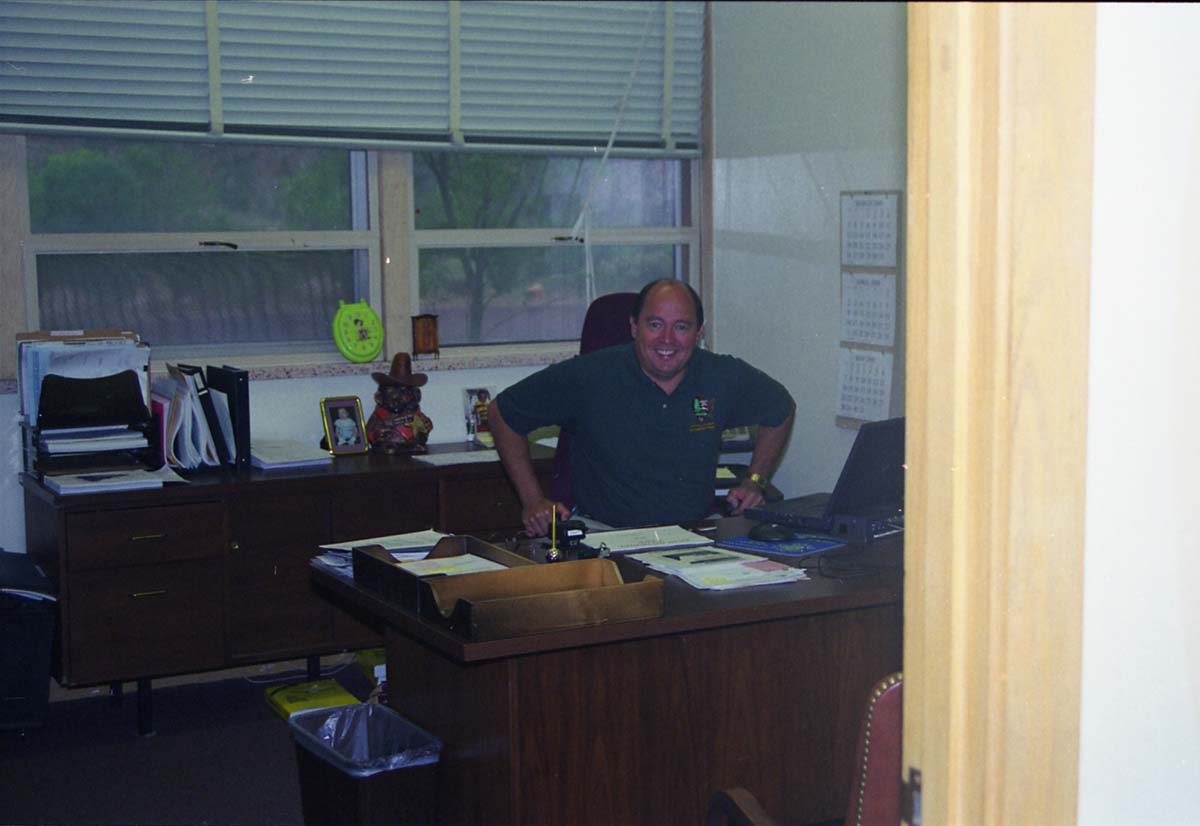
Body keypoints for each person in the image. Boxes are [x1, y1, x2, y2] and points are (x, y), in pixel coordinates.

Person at [489, 279, 796, 536]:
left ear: (699, 333)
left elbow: (781, 409)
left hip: (692, 533)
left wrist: (755, 481)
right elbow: (502, 414)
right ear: (634, 327)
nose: (667, 340)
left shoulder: (722, 375)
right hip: (605, 534)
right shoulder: (589, 375)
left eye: (681, 327)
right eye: (655, 324)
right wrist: (532, 500)